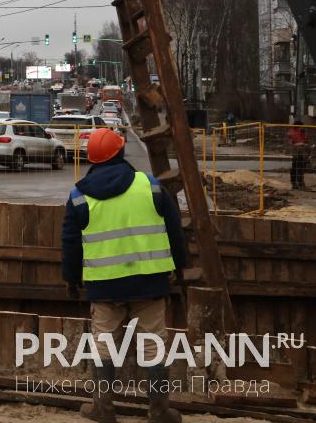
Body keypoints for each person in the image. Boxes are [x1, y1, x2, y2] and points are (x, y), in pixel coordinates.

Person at [62, 127, 186, 423]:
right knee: (153, 343)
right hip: (150, 284)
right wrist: (180, 268)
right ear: (119, 152)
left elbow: (70, 242)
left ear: (92, 158)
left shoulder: (79, 196)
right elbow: (174, 230)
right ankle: (158, 412)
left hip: (104, 287)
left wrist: (71, 279)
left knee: (104, 344)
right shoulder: (151, 186)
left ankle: (103, 410)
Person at [288, 120, 310, 190]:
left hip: (301, 153)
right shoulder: (292, 133)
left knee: (299, 168)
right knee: (296, 168)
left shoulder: (302, 133)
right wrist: (301, 144)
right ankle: (296, 184)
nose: (302, 128)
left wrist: (305, 145)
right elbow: (291, 143)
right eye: (301, 127)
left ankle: (298, 184)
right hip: (297, 153)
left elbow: (306, 141)